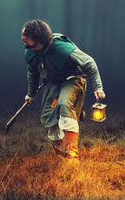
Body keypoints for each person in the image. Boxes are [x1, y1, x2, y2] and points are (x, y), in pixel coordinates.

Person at [21, 19, 105, 159]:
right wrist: (31, 93)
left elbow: (89, 63)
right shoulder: (31, 52)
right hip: (53, 84)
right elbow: (33, 73)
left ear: (38, 37)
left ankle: (72, 154)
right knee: (47, 115)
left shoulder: (60, 47)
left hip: (73, 80)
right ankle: (61, 152)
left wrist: (98, 87)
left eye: (27, 35)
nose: (23, 38)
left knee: (64, 105)